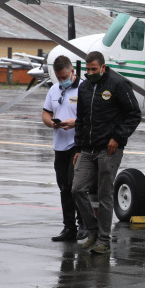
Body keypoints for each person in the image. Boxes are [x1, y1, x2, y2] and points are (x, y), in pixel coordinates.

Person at [71, 51, 142, 255]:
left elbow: (134, 114)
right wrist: (78, 147)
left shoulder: (118, 84)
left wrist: (118, 137)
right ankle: (93, 230)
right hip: (87, 148)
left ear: (103, 67)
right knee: (77, 189)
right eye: (88, 69)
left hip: (108, 149)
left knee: (104, 194)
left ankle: (104, 239)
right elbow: (81, 120)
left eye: (94, 69)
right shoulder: (84, 87)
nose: (90, 72)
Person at [42, 55, 86, 242]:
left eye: (64, 77)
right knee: (64, 187)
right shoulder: (53, 90)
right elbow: (46, 113)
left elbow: (91, 116)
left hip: (77, 144)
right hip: (59, 145)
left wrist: (75, 123)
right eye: (59, 78)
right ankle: (69, 227)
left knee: (75, 185)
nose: (62, 81)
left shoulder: (84, 89)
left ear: (72, 71)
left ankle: (83, 223)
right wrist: (51, 123)